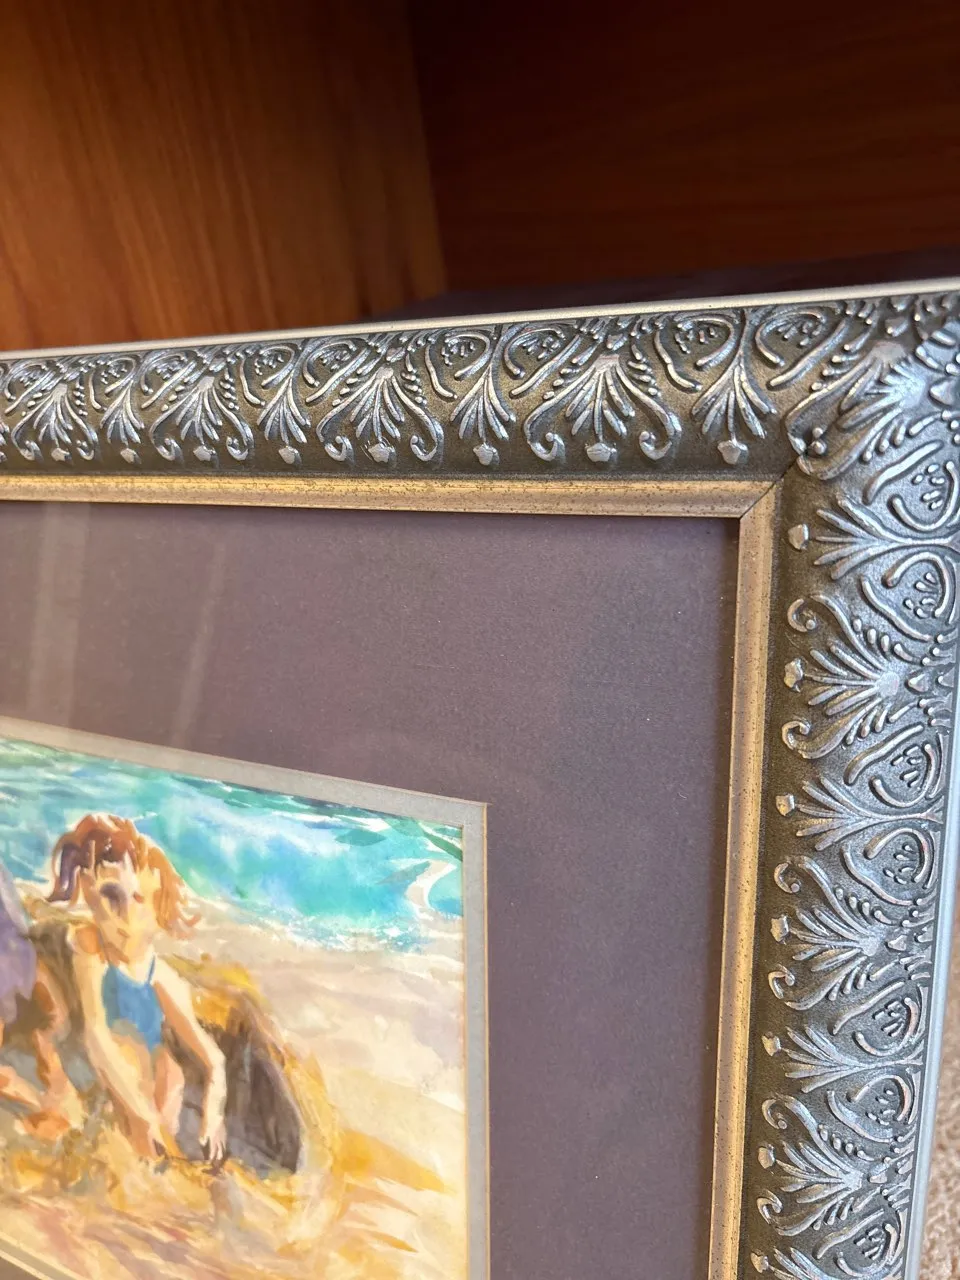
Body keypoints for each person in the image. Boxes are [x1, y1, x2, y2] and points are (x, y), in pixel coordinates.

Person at [48, 814, 226, 1162]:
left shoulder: (161, 975)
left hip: (156, 1081)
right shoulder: (90, 947)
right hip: (115, 1074)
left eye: (138, 899)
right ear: (88, 890)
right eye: (111, 896)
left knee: (167, 1076)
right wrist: (140, 1114)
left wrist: (214, 1111)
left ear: (157, 904)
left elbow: (214, 1059)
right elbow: (96, 1034)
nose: (125, 917)